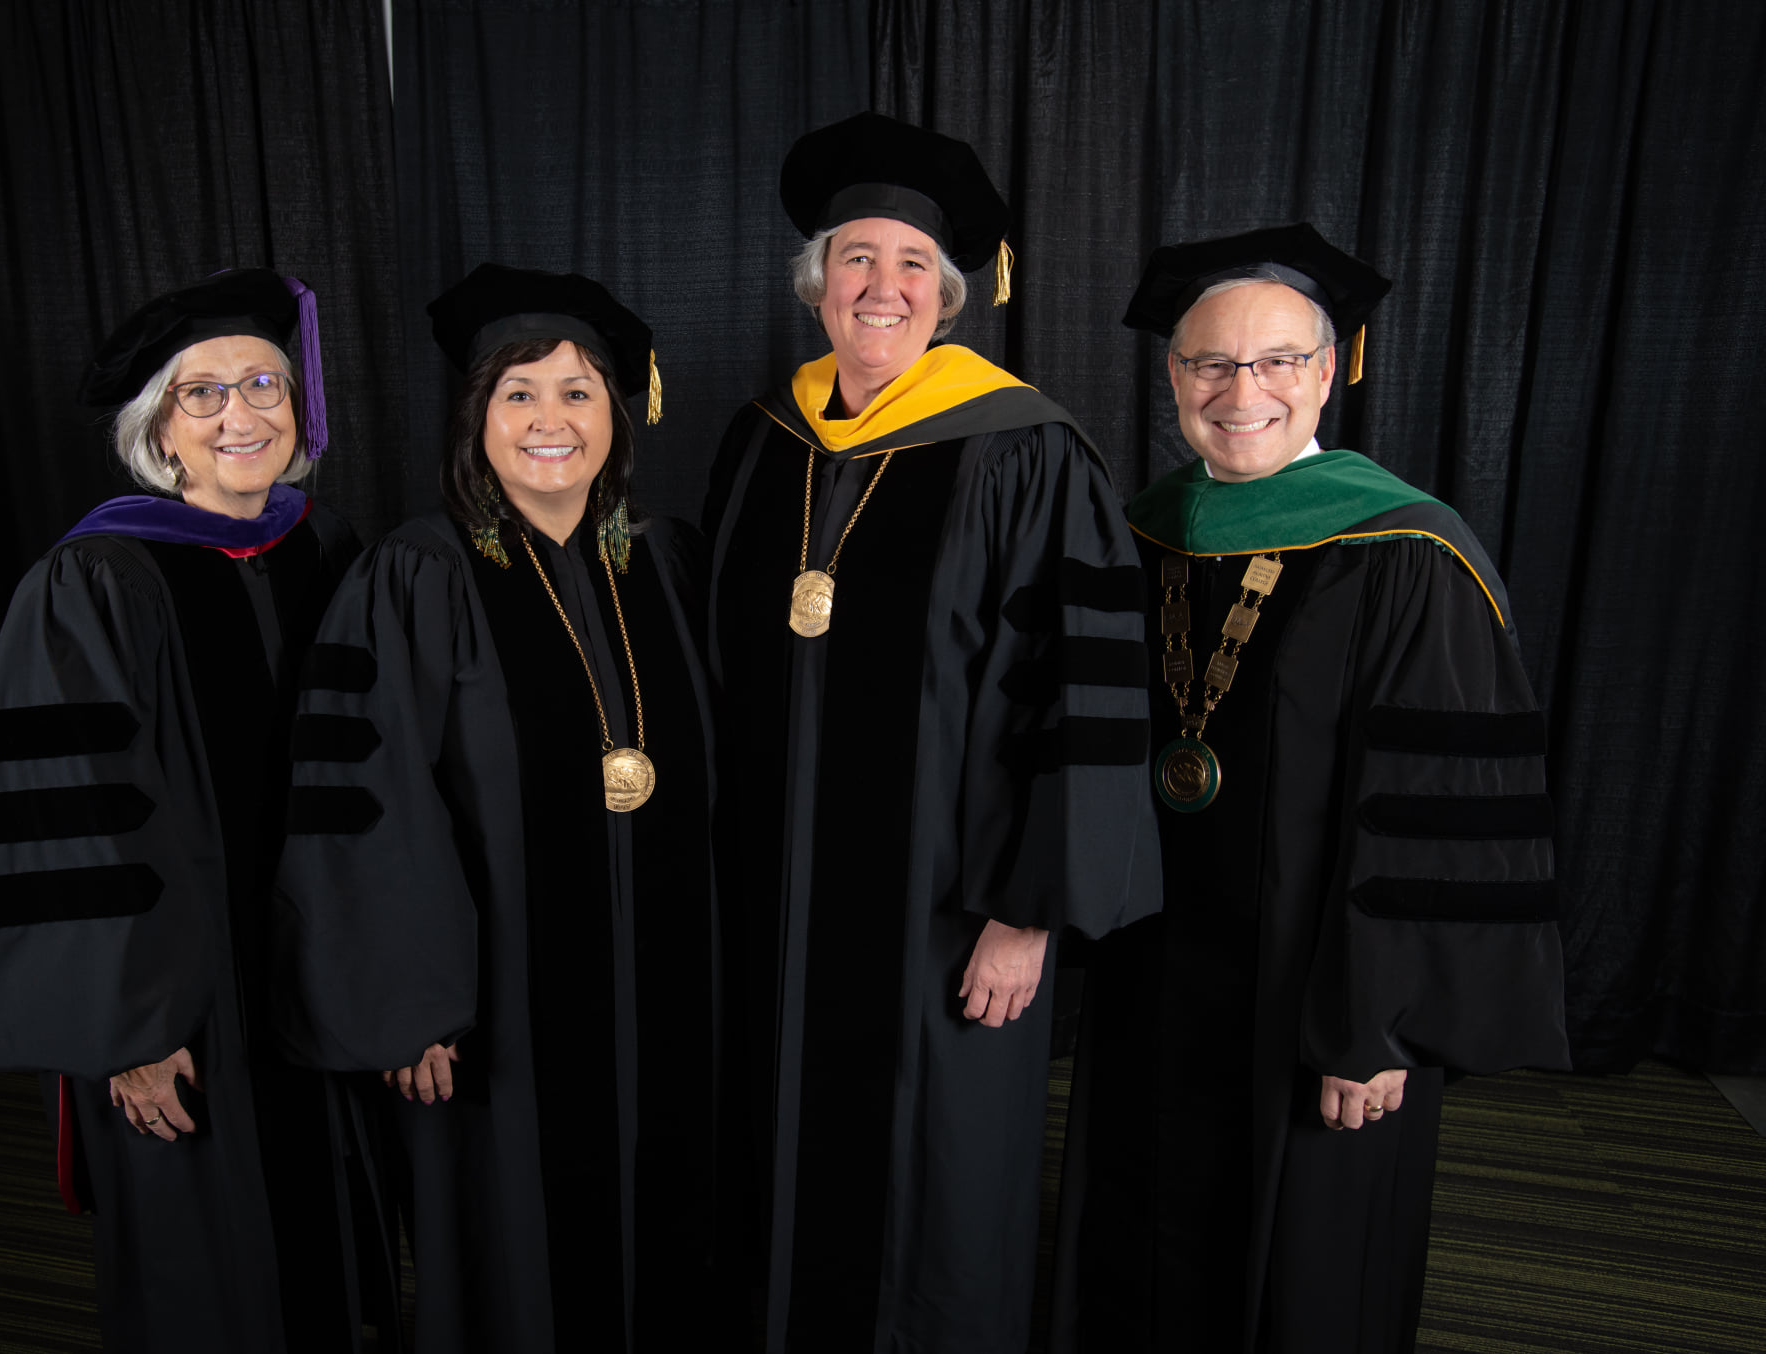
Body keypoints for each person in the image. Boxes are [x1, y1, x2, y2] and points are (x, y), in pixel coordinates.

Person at [1050, 224, 1571, 1353]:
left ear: (1330, 371)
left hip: (1321, 998)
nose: (1245, 392)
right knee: (1143, 1238)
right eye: (1212, 365)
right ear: (1175, 376)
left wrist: (1375, 1026)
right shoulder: (1141, 534)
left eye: (1279, 360)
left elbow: (1436, 820)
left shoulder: (1410, 554)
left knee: (1306, 1268)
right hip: (1156, 974)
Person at [702, 112, 1161, 1353]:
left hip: (948, 912)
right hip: (773, 911)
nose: (882, 286)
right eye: (856, 257)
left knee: (933, 1172)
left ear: (949, 297)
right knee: (773, 1141)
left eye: (912, 264)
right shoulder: (760, 441)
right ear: (817, 286)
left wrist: (1030, 913)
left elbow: (1089, 692)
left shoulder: (1028, 451)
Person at [273, 264, 718, 1352]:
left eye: (578, 391)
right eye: (518, 393)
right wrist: (412, 1002)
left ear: (619, 408)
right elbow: (366, 802)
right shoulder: (416, 577)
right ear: (477, 418)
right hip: (495, 1008)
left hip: (669, 993)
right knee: (512, 1246)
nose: (551, 420)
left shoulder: (667, 562)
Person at [0, 269, 387, 1353]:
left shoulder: (327, 550)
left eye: (264, 385)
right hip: (179, 994)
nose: (240, 414)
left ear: (301, 410)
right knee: (209, 1257)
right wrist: (128, 1033)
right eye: (202, 394)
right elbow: (70, 826)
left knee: (329, 1235)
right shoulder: (94, 580)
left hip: (312, 971)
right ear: (159, 428)